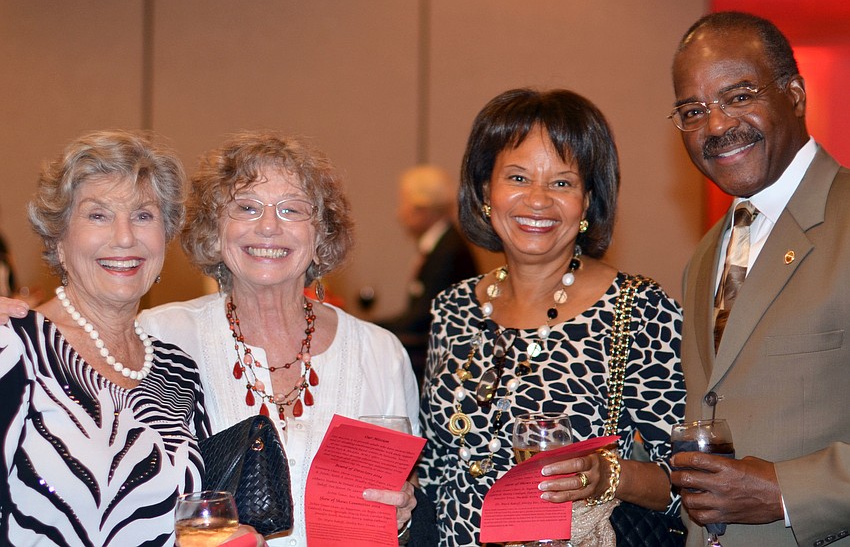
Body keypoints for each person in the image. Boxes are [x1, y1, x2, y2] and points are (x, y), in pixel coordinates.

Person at [418, 88, 686, 545]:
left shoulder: (639, 309)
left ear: (587, 201)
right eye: (518, 178)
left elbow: (689, 483)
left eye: (562, 183)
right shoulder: (454, 307)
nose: (538, 200)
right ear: (486, 191)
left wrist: (608, 474)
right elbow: (436, 465)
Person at [136, 132, 423, 545]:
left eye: (292, 210)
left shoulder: (379, 353)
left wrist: (403, 512)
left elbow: (400, 499)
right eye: (247, 208)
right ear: (215, 232)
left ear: (321, 237)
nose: (269, 226)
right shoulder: (160, 337)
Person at [0, 130, 262, 545]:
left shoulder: (177, 371)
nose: (124, 238)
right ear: (58, 240)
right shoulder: (14, 349)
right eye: (98, 215)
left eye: (143, 216)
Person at [667, 12, 850, 547]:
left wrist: (786, 490)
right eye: (693, 110)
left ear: (794, 94)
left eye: (739, 96)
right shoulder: (705, 257)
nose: (717, 126)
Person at [379, 164, 478, 387]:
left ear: (421, 207)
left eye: (404, 203)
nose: (399, 213)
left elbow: (423, 318)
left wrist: (371, 329)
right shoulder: (443, 245)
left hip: (437, 368)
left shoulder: (449, 251)